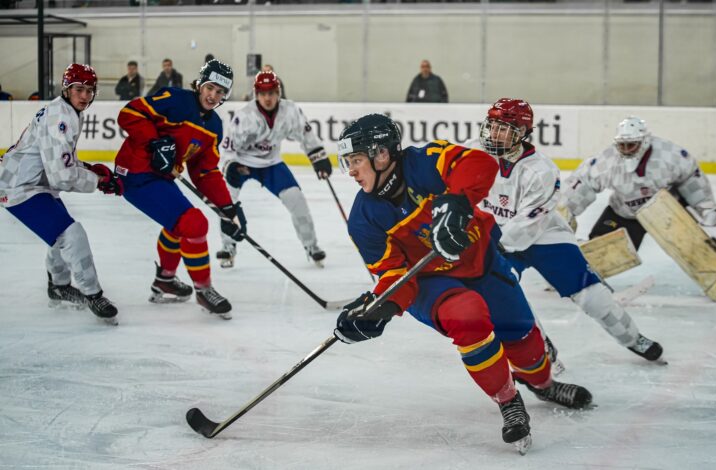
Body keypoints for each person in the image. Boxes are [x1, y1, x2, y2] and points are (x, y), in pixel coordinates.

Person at [334, 113, 592, 454]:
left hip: (482, 263)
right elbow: (394, 274)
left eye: (356, 160)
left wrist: (456, 200)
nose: (351, 170)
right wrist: (380, 308)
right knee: (467, 317)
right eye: (348, 162)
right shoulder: (363, 219)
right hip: (432, 285)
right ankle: (508, 399)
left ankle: (542, 384)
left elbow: (479, 164)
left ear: (382, 154)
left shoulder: (423, 162)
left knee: (523, 339)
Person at [473, 98, 663, 363]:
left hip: (544, 237)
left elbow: (531, 221)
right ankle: (541, 352)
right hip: (497, 238)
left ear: (523, 133)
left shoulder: (541, 171)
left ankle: (633, 338)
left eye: (505, 129)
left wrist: (492, 244)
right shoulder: (473, 154)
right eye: (492, 126)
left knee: (592, 296)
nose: (495, 134)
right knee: (504, 299)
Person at [558, 116, 716, 301]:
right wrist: (561, 213)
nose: (626, 150)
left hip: (666, 212)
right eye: (622, 145)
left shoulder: (672, 156)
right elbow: (579, 186)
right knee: (599, 253)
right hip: (624, 213)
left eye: (632, 145)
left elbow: (697, 191)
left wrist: (711, 216)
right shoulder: (606, 162)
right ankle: (567, 279)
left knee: (693, 247)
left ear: (645, 141)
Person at [114, 59, 243, 319]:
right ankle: (204, 290)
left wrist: (227, 207)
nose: (213, 96)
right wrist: (155, 142)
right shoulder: (175, 99)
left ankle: (165, 279)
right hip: (135, 174)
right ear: (200, 84)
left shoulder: (214, 126)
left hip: (160, 178)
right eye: (210, 88)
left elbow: (205, 171)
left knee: (180, 225)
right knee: (193, 223)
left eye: (220, 93)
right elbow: (129, 113)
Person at [0, 64, 122, 325]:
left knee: (60, 235)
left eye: (90, 90)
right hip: (19, 187)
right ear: (66, 89)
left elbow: (60, 160)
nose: (85, 96)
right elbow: (61, 176)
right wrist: (97, 181)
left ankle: (58, 286)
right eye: (79, 89)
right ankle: (93, 294)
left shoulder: (67, 110)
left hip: (34, 182)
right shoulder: (62, 118)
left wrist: (87, 169)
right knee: (72, 234)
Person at [216, 70, 331, 268]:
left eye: (271, 93)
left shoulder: (290, 111)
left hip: (271, 164)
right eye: (262, 93)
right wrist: (231, 165)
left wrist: (318, 156)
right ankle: (228, 246)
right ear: (256, 94)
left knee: (297, 201)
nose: (267, 98)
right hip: (243, 163)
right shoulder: (244, 116)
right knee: (227, 203)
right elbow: (228, 148)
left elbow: (306, 135)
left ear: (278, 92)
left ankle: (311, 246)